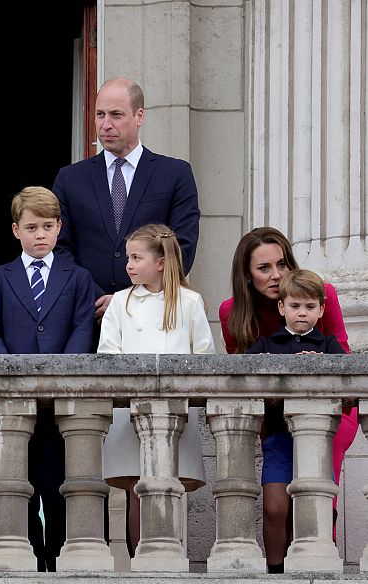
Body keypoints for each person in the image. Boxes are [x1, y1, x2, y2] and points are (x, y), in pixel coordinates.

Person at [218, 227, 354, 573]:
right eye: (264, 268)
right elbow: (242, 380)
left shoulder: (323, 295)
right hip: (275, 417)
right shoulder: (232, 312)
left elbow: (345, 359)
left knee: (320, 491)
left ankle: (318, 563)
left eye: (281, 264)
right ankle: (279, 570)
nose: (276, 275)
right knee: (278, 501)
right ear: (246, 275)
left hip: (331, 412)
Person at [0, 186, 95, 570]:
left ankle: (59, 561)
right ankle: (27, 561)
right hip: (15, 406)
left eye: (47, 226)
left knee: (58, 486)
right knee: (17, 486)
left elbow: (82, 329)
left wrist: (62, 375)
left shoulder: (77, 277)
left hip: (62, 407)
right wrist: (12, 371)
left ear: (59, 227)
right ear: (16, 231)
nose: (39, 234)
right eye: (31, 227)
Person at [97, 224, 213, 556]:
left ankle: (170, 559)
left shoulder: (190, 302)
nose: (128, 265)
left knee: (170, 486)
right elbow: (108, 355)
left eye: (136, 257)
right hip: (129, 411)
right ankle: (139, 564)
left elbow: (205, 356)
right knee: (136, 488)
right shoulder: (121, 302)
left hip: (175, 413)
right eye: (128, 258)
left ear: (160, 262)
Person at [52, 78, 200, 322]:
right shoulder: (70, 179)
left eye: (116, 115)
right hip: (88, 317)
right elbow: (59, 247)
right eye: (100, 114)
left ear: (139, 116)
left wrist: (130, 299)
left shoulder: (174, 174)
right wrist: (96, 298)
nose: (105, 125)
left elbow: (182, 246)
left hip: (153, 317)